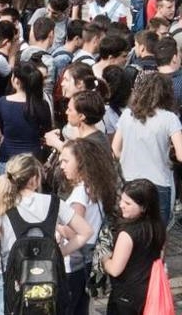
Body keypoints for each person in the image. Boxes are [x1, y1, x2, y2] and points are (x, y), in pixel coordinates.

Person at [0, 154, 93, 315]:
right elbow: (86, 232)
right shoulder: (54, 203)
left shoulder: (2, 205)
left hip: (13, 274)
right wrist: (60, 253)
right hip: (48, 274)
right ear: (34, 179)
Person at [111, 72, 182, 224]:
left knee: (129, 229)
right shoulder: (170, 119)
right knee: (157, 234)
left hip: (129, 181)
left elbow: (115, 150)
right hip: (159, 184)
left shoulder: (127, 115)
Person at [58, 138, 119, 315]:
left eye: (66, 161)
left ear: (81, 163)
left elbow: (72, 230)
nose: (62, 166)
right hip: (89, 258)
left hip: (75, 261)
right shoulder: (93, 187)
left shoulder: (79, 194)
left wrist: (56, 226)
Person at [99, 178, 166, 315]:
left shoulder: (127, 234)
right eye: (122, 200)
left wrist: (104, 258)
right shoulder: (158, 227)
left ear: (143, 207)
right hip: (149, 291)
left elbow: (115, 269)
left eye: (128, 203)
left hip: (126, 296)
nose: (121, 205)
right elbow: (160, 257)